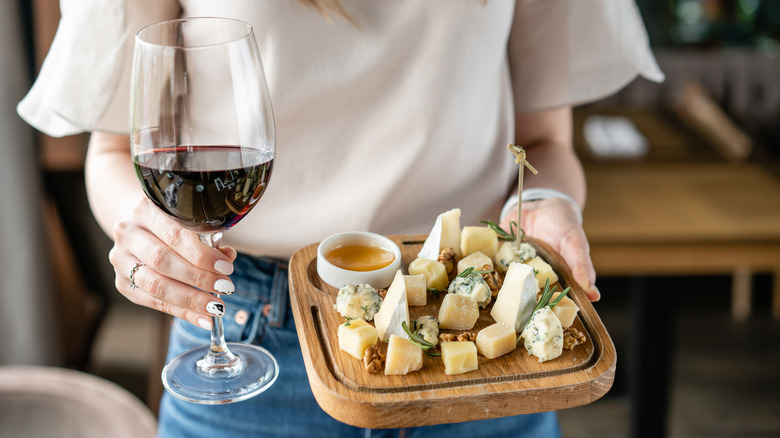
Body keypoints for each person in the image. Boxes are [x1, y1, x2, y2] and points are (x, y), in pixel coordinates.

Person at [19, 1, 663, 436]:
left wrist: (547, 209)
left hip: (484, 349)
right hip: (250, 344)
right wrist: (143, 231)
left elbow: (543, 143)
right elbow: (111, 151)